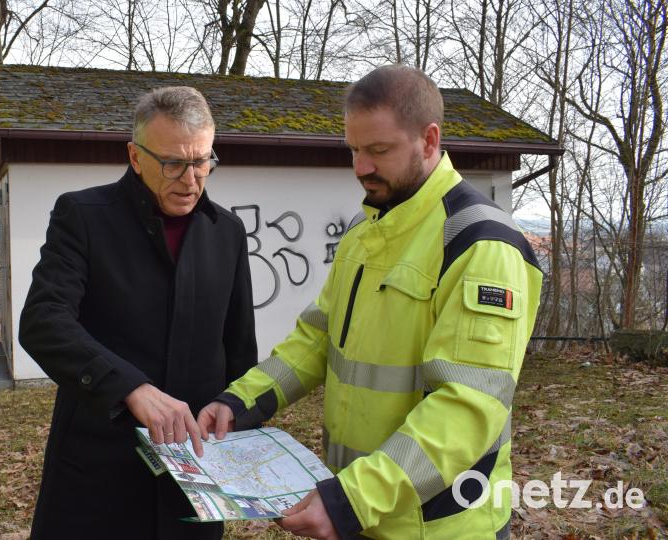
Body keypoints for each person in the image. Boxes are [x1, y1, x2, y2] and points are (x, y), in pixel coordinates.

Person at [198, 65, 543, 539]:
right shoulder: (364, 233)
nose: (361, 167)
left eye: (378, 150)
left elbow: (465, 410)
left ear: (429, 140)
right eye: (355, 149)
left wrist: (351, 500)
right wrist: (242, 401)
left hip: (439, 526)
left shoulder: (481, 245)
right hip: (364, 514)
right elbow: (316, 339)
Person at [19, 86, 257, 539]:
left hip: (194, 479)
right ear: (135, 156)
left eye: (203, 161)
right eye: (174, 164)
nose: (190, 180)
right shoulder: (83, 216)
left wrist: (239, 423)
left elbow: (239, 349)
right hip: (97, 479)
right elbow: (43, 321)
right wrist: (130, 387)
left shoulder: (227, 232)